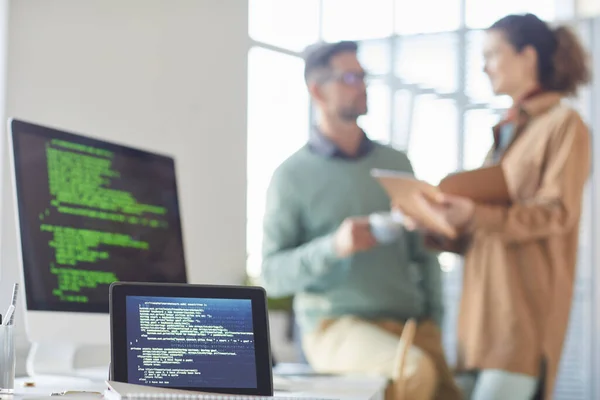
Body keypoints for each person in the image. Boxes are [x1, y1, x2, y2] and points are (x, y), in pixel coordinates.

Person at [399, 13, 591, 400]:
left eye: (492, 54)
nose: (484, 67)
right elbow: (487, 228)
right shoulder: (508, 132)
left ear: (528, 56)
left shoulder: (564, 125)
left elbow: (556, 214)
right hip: (479, 325)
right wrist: (436, 222)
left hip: (520, 322)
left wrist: (474, 214)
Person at [260, 40, 461, 400]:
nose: (362, 85)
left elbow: (425, 254)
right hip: (335, 326)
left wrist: (434, 321)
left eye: (363, 76)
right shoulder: (291, 176)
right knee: (414, 373)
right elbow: (273, 276)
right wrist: (334, 246)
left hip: (409, 325)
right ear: (318, 90)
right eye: (350, 77)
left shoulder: (397, 164)